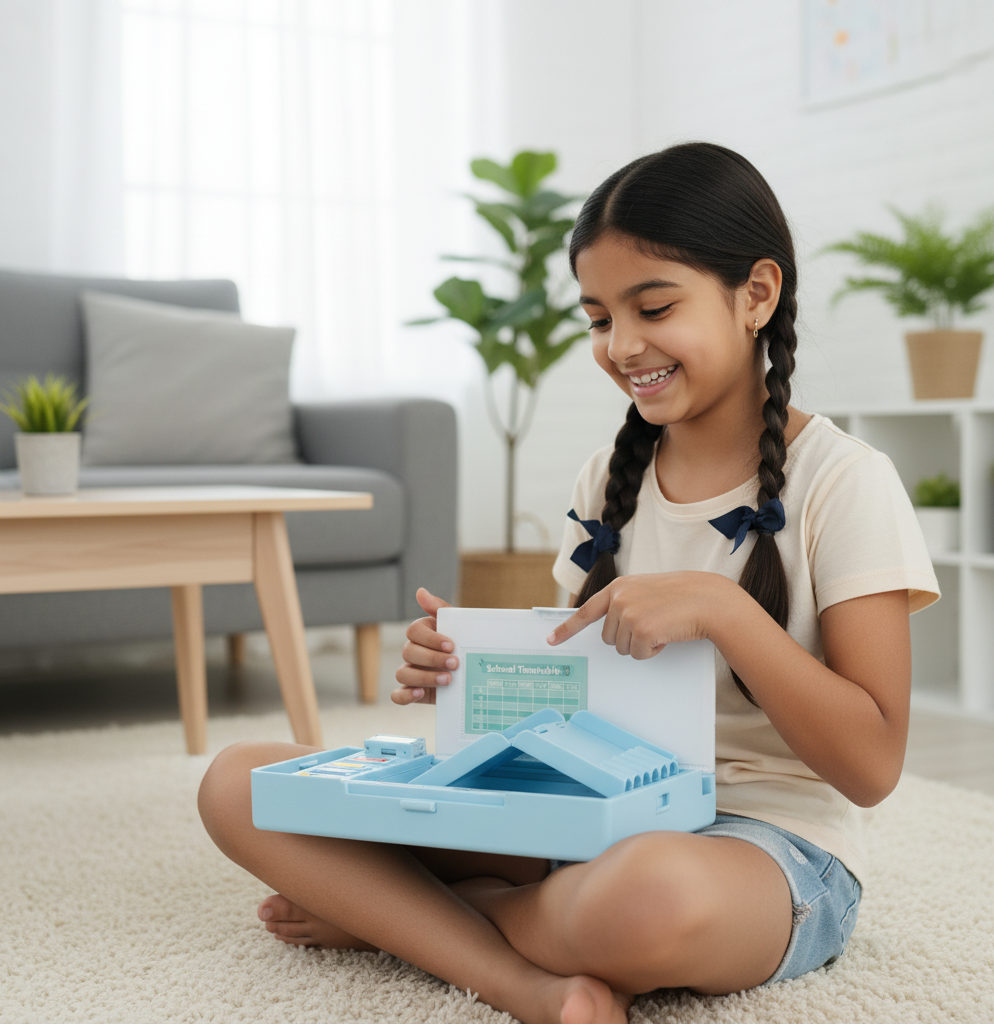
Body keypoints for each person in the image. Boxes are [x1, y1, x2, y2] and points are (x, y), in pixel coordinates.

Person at [198, 143, 939, 1024]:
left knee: (646, 898)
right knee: (240, 782)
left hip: (762, 849)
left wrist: (724, 611)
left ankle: (404, 922)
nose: (623, 346)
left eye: (653, 306)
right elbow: (570, 704)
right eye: (597, 318)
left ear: (757, 295)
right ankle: (528, 982)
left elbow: (871, 765)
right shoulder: (605, 481)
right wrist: (463, 674)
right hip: (581, 821)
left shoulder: (845, 481)